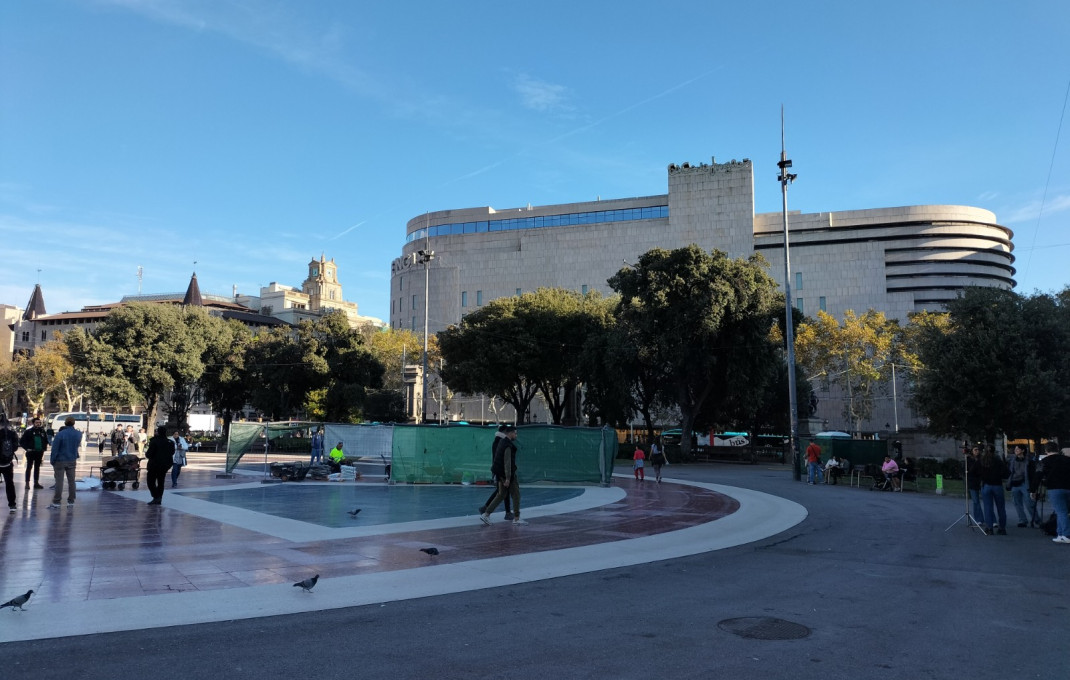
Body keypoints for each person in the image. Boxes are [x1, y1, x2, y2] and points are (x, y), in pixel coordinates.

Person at [479, 425, 525, 525]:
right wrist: (508, 478)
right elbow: (507, 462)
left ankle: (486, 514)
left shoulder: (500, 442)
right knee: (516, 495)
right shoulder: (508, 445)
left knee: (501, 495)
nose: (516, 435)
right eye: (515, 433)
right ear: (510, 433)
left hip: (500, 473)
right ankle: (516, 518)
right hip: (507, 475)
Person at [1038, 443, 1070, 544]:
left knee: (1060, 512)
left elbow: (1038, 475)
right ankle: (1060, 533)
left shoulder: (1044, 461)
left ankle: (1066, 534)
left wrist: (1033, 489)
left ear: (1046, 450)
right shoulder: (1067, 460)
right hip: (1068, 487)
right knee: (1063, 511)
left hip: (1054, 488)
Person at [479, 425, 513, 519]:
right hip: (501, 470)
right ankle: (506, 512)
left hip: (497, 469)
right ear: (505, 432)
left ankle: (486, 508)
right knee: (503, 491)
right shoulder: (502, 442)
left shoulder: (496, 441)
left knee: (501, 491)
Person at [48, 415, 81, 510]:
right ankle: (71, 500)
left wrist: (52, 460)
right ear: (74, 423)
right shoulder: (78, 434)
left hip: (60, 460)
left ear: (65, 423)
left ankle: (57, 501)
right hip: (72, 459)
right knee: (72, 481)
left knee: (59, 481)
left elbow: (55, 449)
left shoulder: (60, 434)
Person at [978, 445, 1008, 535]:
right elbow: (1006, 473)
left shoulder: (982, 461)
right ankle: (1002, 528)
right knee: (1001, 508)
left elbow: (975, 471)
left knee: (988, 507)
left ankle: (989, 528)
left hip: (986, 485)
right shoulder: (998, 461)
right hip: (997, 485)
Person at [144, 426, 175, 505]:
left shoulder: (154, 441)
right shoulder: (170, 442)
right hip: (165, 465)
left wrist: (148, 454)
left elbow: (149, 454)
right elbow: (172, 453)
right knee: (161, 481)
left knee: (150, 481)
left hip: (154, 464)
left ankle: (156, 496)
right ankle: (159, 498)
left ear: (158, 432)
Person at [18, 416, 50, 490]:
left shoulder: (42, 431)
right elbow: (21, 441)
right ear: (33, 423)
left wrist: (44, 448)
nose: (38, 424)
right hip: (31, 452)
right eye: (36, 423)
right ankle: (27, 483)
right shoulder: (28, 432)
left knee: (37, 468)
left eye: (39, 423)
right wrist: (27, 448)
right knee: (29, 467)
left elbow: (45, 440)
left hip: (39, 452)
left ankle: (36, 482)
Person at [1007, 445, 1031, 528]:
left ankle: (1036, 519)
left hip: (1024, 483)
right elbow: (1010, 472)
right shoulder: (1013, 460)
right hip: (1015, 483)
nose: (1016, 450)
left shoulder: (1028, 460)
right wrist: (1009, 483)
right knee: (1017, 503)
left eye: (1018, 449)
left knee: (1029, 503)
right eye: (1015, 449)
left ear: (1023, 450)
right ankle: (1022, 520)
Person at [1, 415, 20, 513]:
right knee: (9, 484)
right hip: (8, 462)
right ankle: (12, 504)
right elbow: (16, 447)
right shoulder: (12, 434)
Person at [966, 445, 984, 523]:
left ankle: (991, 520)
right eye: (975, 450)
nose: (977, 451)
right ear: (972, 451)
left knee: (987, 501)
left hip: (981, 481)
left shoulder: (982, 459)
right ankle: (979, 519)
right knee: (976, 501)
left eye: (978, 450)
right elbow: (969, 471)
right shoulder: (969, 460)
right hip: (973, 482)